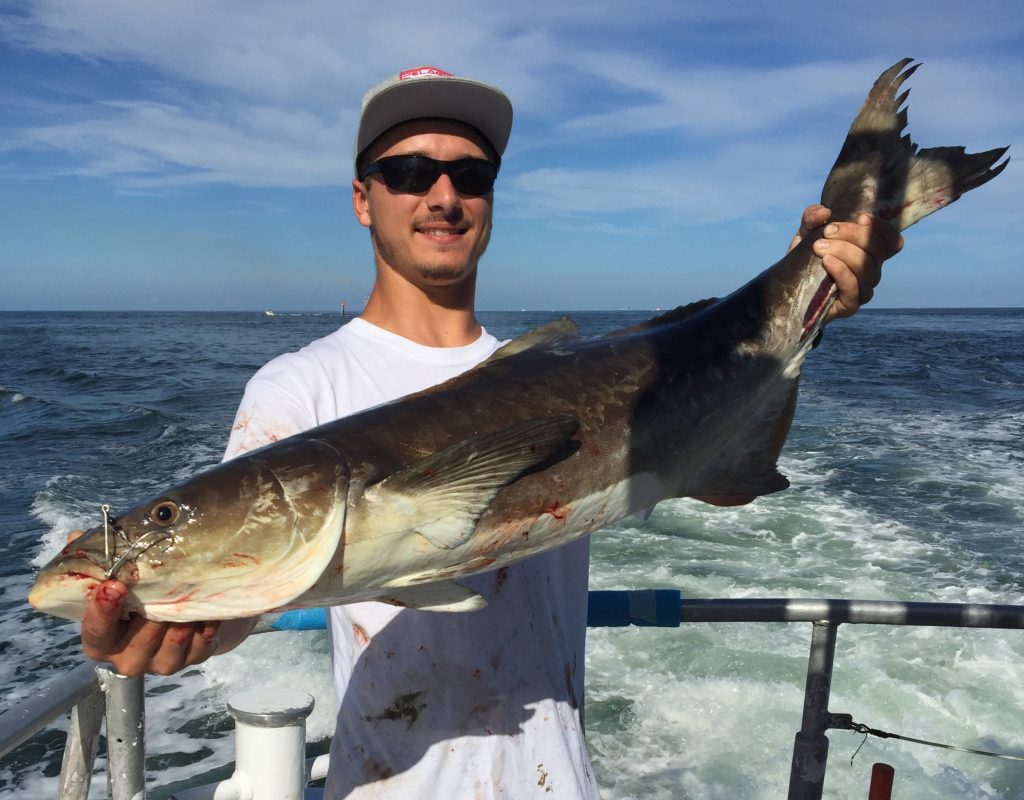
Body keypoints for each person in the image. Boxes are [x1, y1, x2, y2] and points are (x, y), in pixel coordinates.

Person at [75, 66, 903, 798]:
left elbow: (724, 475)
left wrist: (812, 293)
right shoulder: (300, 389)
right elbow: (262, 579)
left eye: (470, 173)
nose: (443, 195)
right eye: (407, 171)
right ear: (363, 198)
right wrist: (189, 625)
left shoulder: (559, 368)